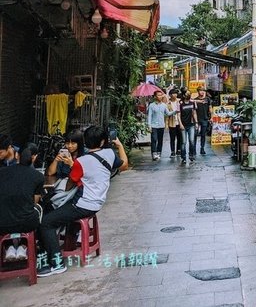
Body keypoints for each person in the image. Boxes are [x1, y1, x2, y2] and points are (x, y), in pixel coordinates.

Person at [38, 125, 128, 277]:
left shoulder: (82, 161)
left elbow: (69, 184)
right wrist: (119, 146)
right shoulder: (109, 153)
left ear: (85, 142)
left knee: (46, 222)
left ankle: (57, 263)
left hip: (82, 204)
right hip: (97, 202)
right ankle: (55, 245)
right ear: (102, 142)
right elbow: (124, 165)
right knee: (52, 212)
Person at [0, 144, 43, 262]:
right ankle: (24, 246)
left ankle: (9, 246)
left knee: (10, 212)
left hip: (2, 224)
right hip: (26, 223)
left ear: (17, 155)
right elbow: (35, 201)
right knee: (37, 210)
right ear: (34, 158)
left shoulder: (2, 172)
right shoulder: (38, 176)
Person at [147, 91, 176, 161]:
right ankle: (154, 153)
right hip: (154, 126)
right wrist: (149, 125)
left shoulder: (164, 105)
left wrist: (175, 111)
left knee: (160, 140)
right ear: (155, 97)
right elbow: (149, 116)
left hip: (161, 126)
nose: (160, 97)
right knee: (154, 139)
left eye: (161, 95)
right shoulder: (151, 105)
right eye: (158, 95)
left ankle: (159, 152)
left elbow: (168, 113)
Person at [179, 91, 198, 165]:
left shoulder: (192, 103)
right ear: (183, 95)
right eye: (187, 94)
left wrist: (196, 122)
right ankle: (183, 157)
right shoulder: (180, 104)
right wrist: (180, 124)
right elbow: (178, 115)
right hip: (183, 125)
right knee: (183, 142)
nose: (188, 95)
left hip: (191, 125)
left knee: (192, 141)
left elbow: (194, 113)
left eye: (189, 94)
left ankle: (191, 155)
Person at [194, 87, 212, 155]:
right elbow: (194, 110)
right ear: (198, 91)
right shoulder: (195, 100)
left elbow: (210, 108)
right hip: (197, 120)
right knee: (195, 134)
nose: (202, 92)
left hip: (205, 119)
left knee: (203, 134)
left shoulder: (207, 99)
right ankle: (194, 149)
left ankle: (202, 148)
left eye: (203, 91)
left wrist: (211, 117)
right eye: (200, 91)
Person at [166, 89, 183, 158]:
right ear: (170, 95)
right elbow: (167, 115)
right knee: (172, 138)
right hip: (172, 122)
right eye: (173, 93)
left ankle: (178, 150)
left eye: (176, 93)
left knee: (180, 137)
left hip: (179, 122)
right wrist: (166, 124)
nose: (175, 95)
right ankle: (172, 151)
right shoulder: (168, 103)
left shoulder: (180, 101)